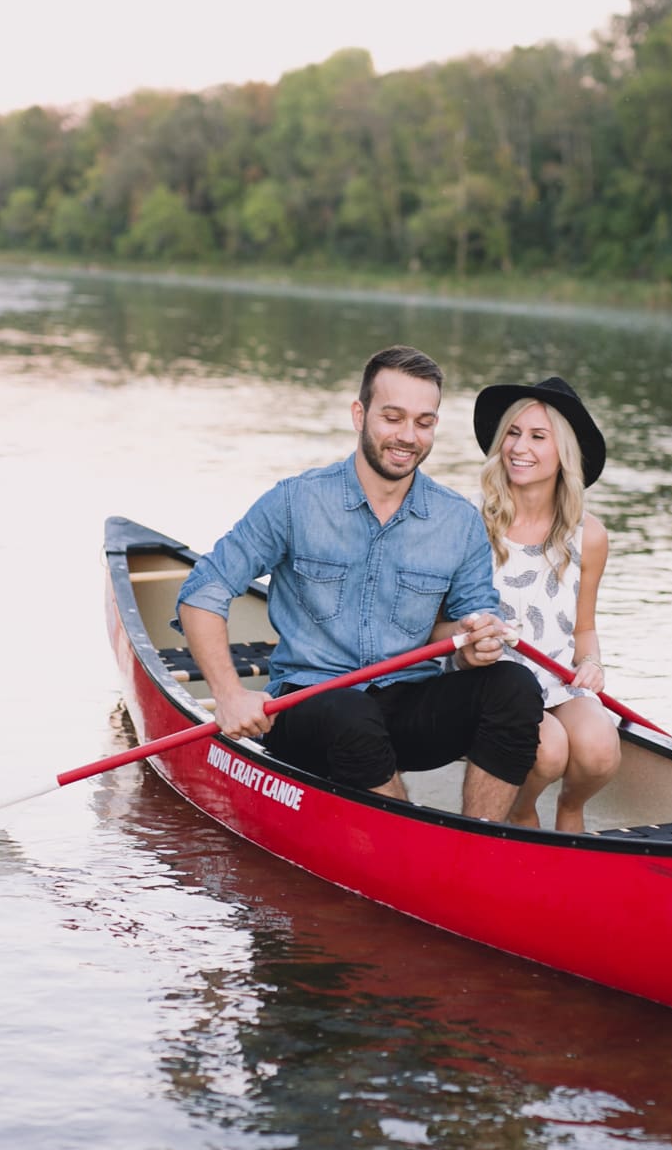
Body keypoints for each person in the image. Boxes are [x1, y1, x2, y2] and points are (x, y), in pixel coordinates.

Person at [175, 345, 543, 820]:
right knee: (349, 713)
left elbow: (463, 629)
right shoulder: (295, 502)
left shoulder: (459, 521)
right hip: (310, 709)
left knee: (514, 684)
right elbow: (203, 591)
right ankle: (409, 843)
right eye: (393, 417)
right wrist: (228, 694)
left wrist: (471, 643)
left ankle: (478, 841)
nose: (408, 436)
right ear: (359, 414)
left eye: (424, 422)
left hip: (408, 707)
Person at [470, 376, 620, 833]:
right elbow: (443, 621)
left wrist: (592, 661)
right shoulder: (473, 520)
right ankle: (519, 807)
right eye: (513, 433)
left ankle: (571, 810)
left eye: (538, 436)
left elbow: (583, 630)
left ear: (564, 453)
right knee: (548, 748)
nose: (519, 447)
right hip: (492, 680)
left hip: (556, 680)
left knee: (599, 748)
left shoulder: (588, 535)